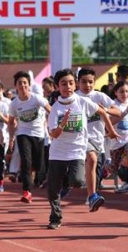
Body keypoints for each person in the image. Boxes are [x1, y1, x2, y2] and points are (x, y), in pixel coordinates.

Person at [45, 69, 111, 229]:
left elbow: (102, 111)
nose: (67, 86)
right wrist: (63, 123)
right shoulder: (55, 108)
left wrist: (111, 130)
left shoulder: (82, 102)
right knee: (53, 189)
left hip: (77, 150)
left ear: (74, 84)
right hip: (58, 153)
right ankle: (55, 218)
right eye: (63, 84)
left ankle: (67, 184)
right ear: (57, 87)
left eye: (70, 83)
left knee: (77, 181)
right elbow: (53, 134)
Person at [75, 68, 119, 211]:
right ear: (77, 82)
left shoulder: (99, 96)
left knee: (96, 168)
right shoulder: (74, 98)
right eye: (83, 82)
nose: (87, 85)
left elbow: (117, 111)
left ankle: (91, 195)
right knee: (91, 160)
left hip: (98, 139)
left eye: (90, 82)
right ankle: (92, 195)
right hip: (80, 138)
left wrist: (104, 110)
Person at [7, 71, 51, 204]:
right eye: (19, 83)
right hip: (23, 134)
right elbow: (10, 121)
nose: (22, 85)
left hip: (38, 134)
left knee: (37, 165)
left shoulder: (36, 98)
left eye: (25, 83)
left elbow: (51, 109)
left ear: (29, 85)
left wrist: (55, 125)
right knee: (26, 161)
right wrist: (11, 138)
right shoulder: (14, 103)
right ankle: (27, 191)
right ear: (16, 86)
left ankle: (32, 172)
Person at [109, 81, 128, 195]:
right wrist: (125, 111)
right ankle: (105, 169)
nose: (124, 94)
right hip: (117, 140)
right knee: (114, 167)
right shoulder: (113, 105)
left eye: (127, 91)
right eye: (121, 91)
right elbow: (112, 121)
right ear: (116, 93)